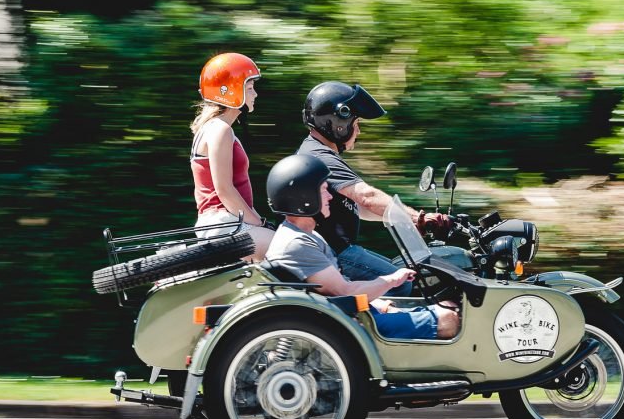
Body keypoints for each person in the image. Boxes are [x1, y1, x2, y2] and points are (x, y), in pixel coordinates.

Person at [264, 154, 460, 340]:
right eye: (324, 190)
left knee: (446, 307)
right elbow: (346, 292)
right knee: (450, 318)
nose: (330, 197)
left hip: (353, 313)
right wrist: (391, 280)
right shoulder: (297, 243)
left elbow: (338, 290)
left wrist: (379, 303)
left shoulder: (306, 236)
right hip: (353, 324)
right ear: (304, 197)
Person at [296, 81, 451, 296]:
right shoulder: (320, 157)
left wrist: (405, 219)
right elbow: (366, 196)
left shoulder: (317, 152)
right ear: (338, 122)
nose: (358, 131)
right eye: (356, 122)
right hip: (338, 253)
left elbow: (358, 208)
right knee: (408, 285)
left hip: (338, 250)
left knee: (406, 274)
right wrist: (417, 217)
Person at [190, 52, 273, 262]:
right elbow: (225, 190)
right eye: (250, 88)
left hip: (225, 222)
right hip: (224, 224)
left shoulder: (215, 129)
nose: (255, 94)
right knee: (296, 249)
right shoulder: (220, 130)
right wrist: (260, 223)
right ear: (230, 91)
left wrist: (257, 220)